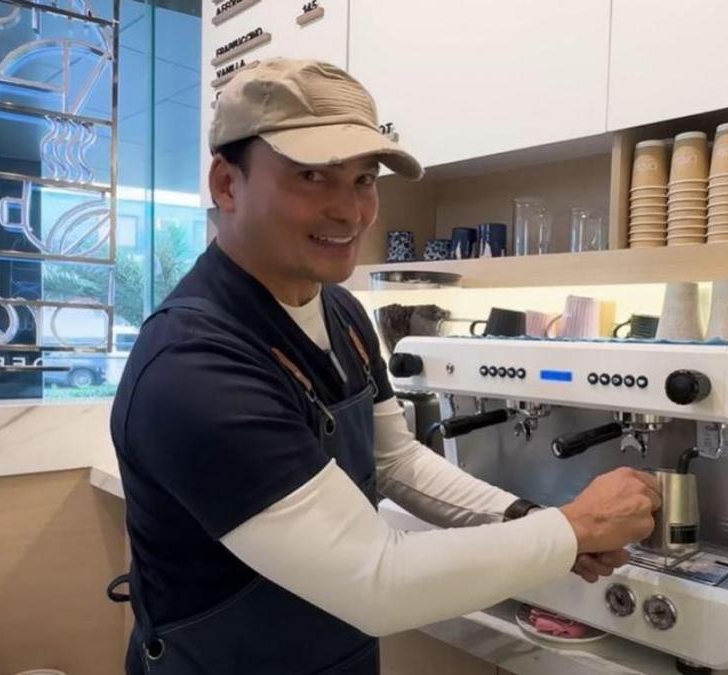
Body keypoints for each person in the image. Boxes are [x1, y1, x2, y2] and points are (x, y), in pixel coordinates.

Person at [109, 58, 661, 675]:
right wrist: (572, 528)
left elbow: (394, 458)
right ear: (226, 184)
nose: (350, 211)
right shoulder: (193, 366)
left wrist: (525, 519)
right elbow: (375, 581)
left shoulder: (341, 311)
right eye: (312, 175)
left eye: (364, 179)